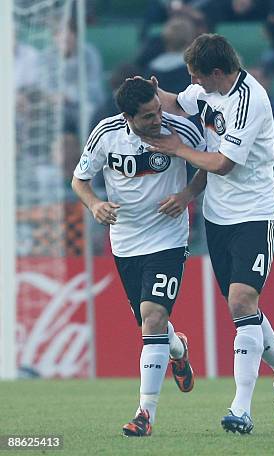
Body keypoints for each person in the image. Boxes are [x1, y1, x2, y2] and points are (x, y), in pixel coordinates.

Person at [143, 33, 274, 434]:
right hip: (217, 217)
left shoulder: (250, 100)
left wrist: (178, 148)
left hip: (254, 214)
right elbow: (178, 101)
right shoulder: (208, 91)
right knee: (243, 309)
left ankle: (241, 409)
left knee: (241, 300)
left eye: (197, 75)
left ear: (218, 72)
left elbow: (223, 163)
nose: (193, 82)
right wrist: (151, 92)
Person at [72, 79, 207, 437]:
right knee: (153, 326)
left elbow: (209, 165)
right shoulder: (106, 133)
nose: (158, 118)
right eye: (148, 116)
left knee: (153, 317)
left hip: (168, 237)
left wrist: (186, 195)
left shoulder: (179, 131)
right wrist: (96, 204)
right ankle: (179, 350)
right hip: (126, 243)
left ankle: (144, 414)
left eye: (158, 110)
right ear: (128, 116)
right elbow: (79, 180)